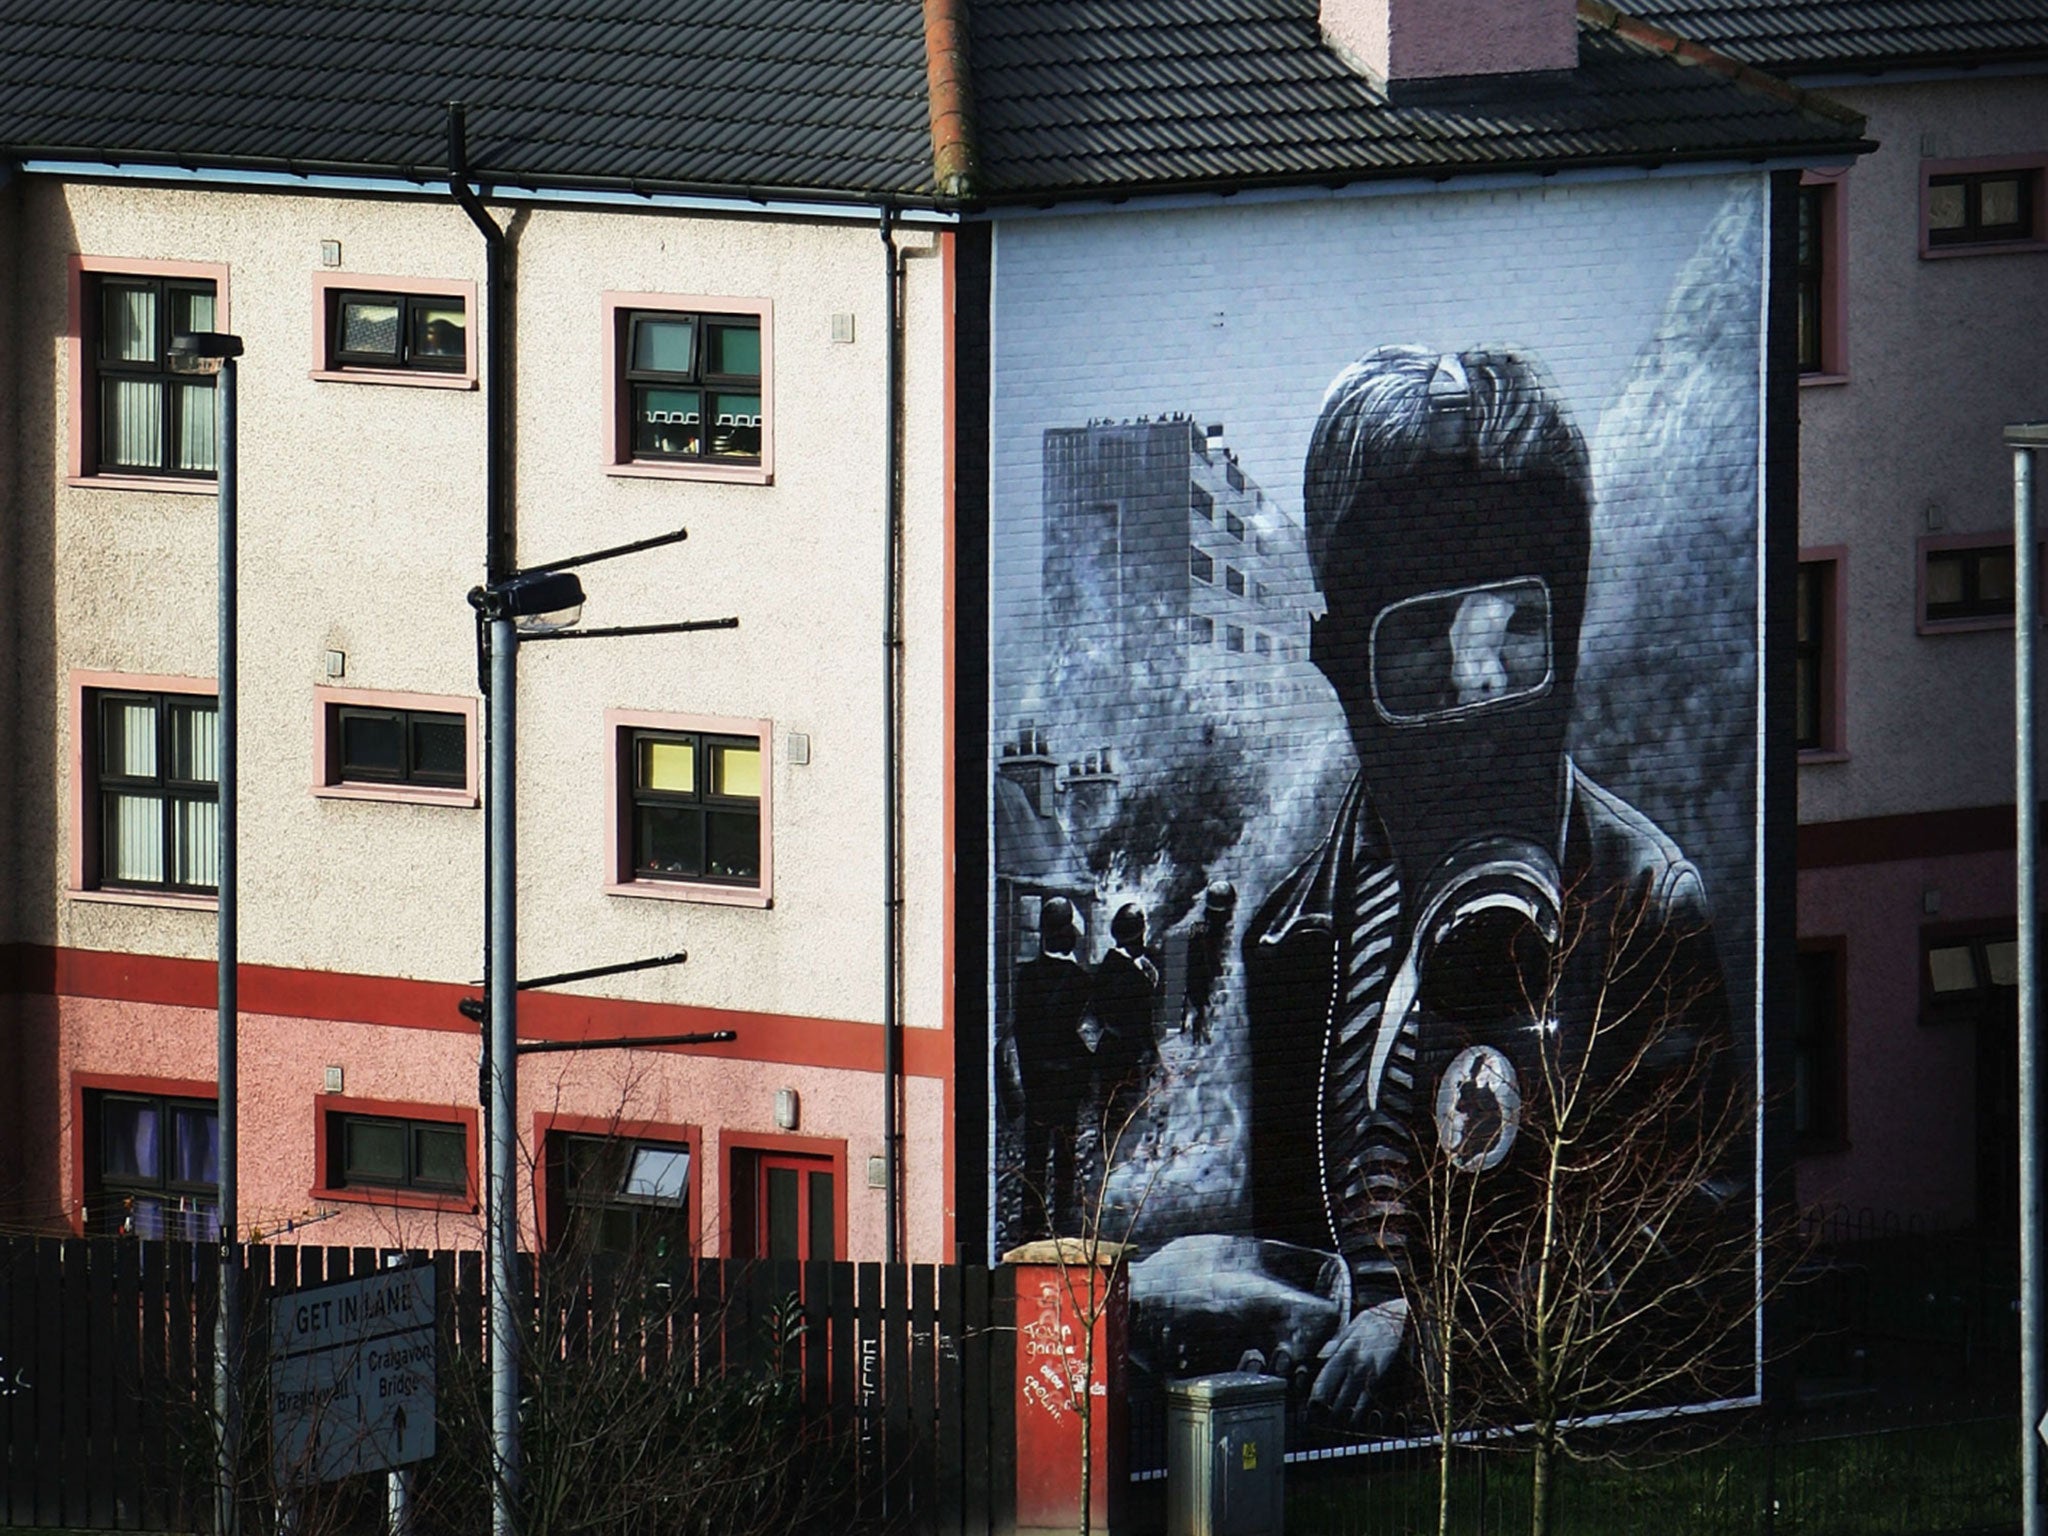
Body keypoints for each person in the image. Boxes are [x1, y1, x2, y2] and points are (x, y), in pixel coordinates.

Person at [1141, 346, 1739, 1418]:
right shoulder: (1291, 937)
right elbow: (1295, 1234)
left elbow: (1682, 1245)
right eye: (1419, 635)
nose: (1478, 686)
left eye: (1515, 626)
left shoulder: (1643, 903)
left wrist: (1436, 1323)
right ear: (1335, 661)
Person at [1012, 898, 1092, 1238]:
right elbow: (1086, 1037)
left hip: (1037, 1082)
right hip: (1067, 1084)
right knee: (1065, 1158)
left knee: (1034, 1156)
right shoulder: (1081, 980)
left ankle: (1030, 1225)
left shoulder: (1025, 977)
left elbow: (1021, 1032)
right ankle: (1062, 1223)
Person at [1088, 903, 1161, 1143]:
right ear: (1138, 934)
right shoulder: (1134, 975)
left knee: (1110, 1117)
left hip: (1110, 1051)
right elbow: (1140, 1020)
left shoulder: (1108, 968)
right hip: (1127, 1055)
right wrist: (1151, 1049)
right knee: (1126, 1124)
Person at [1180, 881, 1237, 1045]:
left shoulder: (1197, 927)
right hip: (1210, 993)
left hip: (1198, 991)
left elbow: (1191, 965)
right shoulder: (1223, 932)